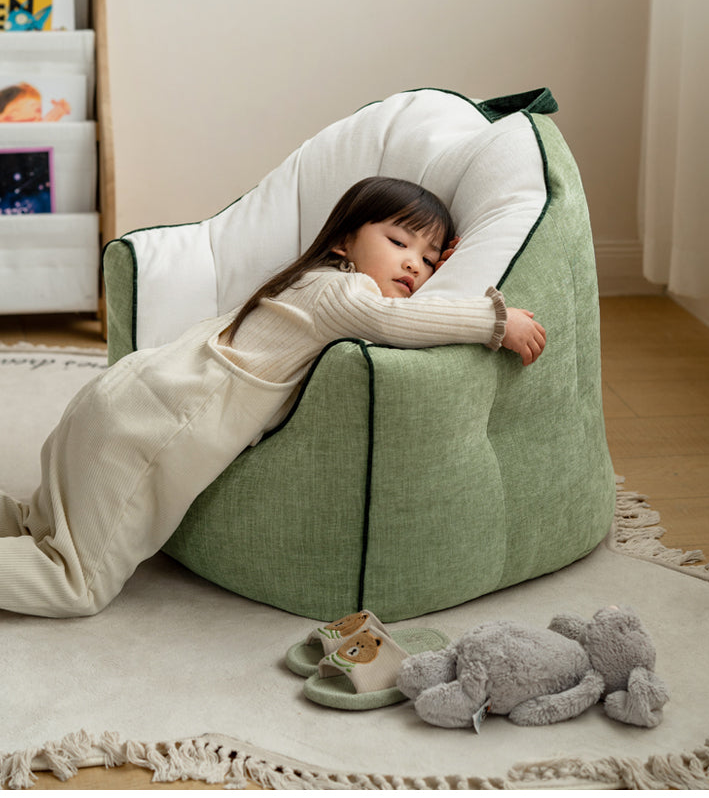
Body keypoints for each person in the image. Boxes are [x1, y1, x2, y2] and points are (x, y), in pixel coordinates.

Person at [0, 176, 545, 619]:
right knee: (75, 583)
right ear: (343, 242)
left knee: (37, 520)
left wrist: (428, 267)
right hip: (152, 429)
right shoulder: (342, 290)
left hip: (124, 393)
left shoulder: (298, 284)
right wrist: (493, 319)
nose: (413, 265)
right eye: (399, 243)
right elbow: (391, 319)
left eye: (429, 261)